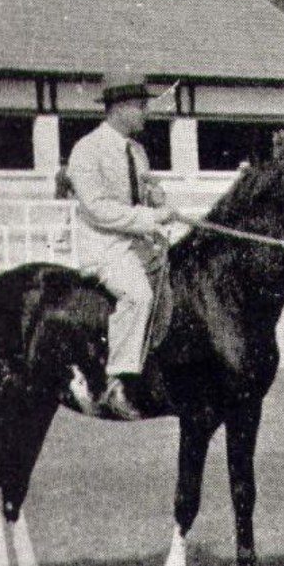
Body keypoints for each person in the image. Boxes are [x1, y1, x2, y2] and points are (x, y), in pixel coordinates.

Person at [66, 71, 178, 417]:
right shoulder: (87, 150)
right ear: (121, 108)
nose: (146, 113)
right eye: (142, 106)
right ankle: (114, 383)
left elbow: (139, 195)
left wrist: (156, 198)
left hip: (136, 242)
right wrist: (148, 218)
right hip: (105, 245)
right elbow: (97, 210)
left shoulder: (137, 151)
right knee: (138, 295)